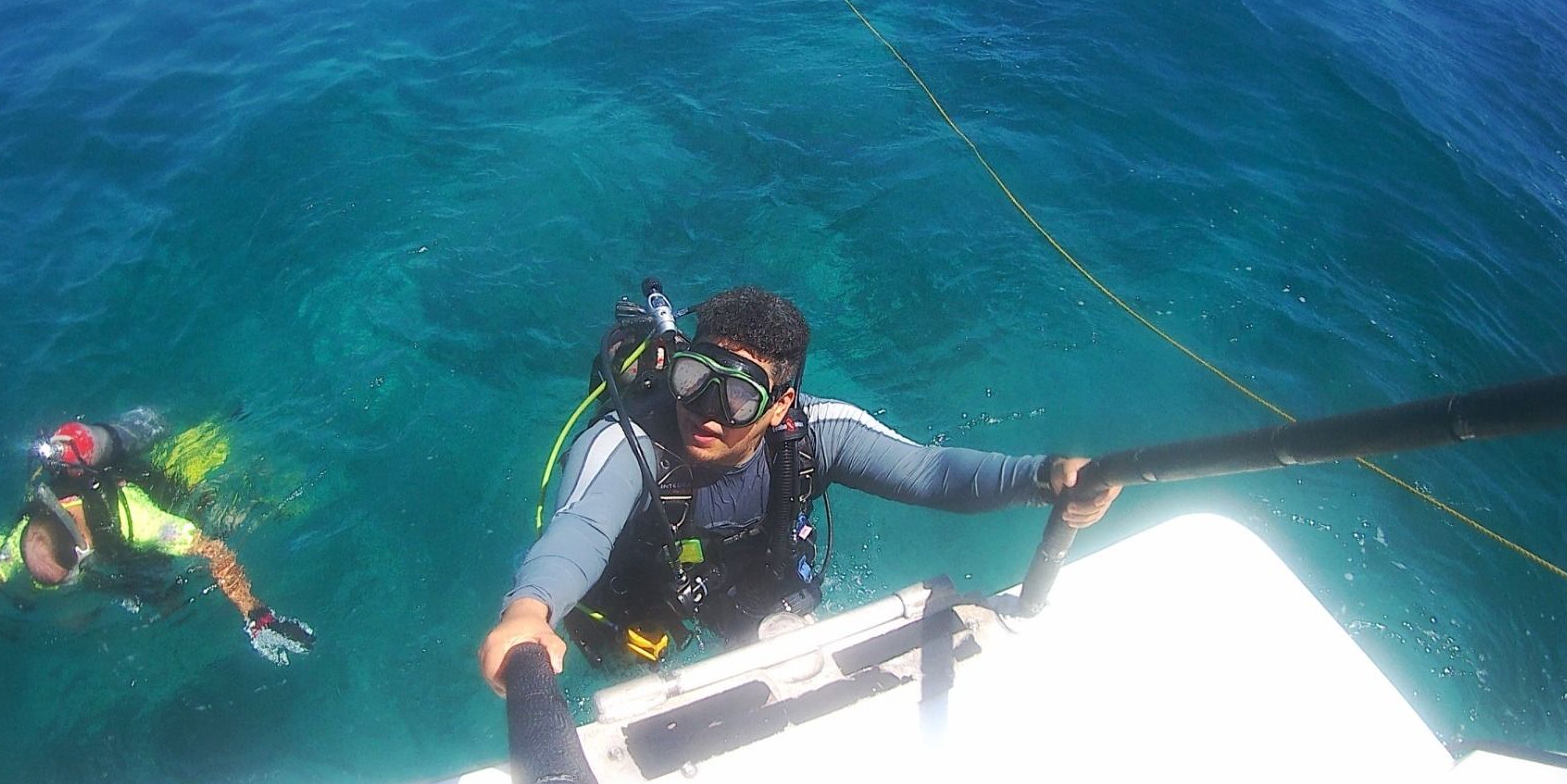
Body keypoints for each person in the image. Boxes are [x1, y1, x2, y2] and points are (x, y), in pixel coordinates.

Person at [478, 287, 1121, 691]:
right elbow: (581, 530)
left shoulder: (818, 432)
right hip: (642, 592)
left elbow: (929, 471)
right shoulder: (626, 444)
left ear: (781, 403)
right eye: (693, 379)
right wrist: (529, 612)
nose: (705, 410)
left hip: (748, 575)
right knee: (630, 670)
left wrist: (1044, 476)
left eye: (737, 396)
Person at [0, 408, 315, 665]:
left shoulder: (138, 521)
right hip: (144, 474)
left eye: (65, 579)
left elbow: (213, 550)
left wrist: (256, 615)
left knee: (289, 503)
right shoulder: (25, 538)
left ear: (82, 549)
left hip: (186, 474)